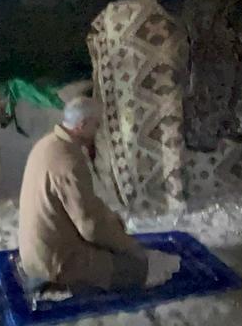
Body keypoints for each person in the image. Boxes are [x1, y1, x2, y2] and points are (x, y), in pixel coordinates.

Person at [18, 96, 148, 293]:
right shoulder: (68, 160)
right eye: (96, 125)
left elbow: (81, 206)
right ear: (82, 125)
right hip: (52, 262)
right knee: (137, 268)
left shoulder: (47, 143)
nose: (97, 131)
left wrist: (111, 221)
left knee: (113, 229)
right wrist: (128, 245)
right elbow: (90, 227)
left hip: (34, 252)